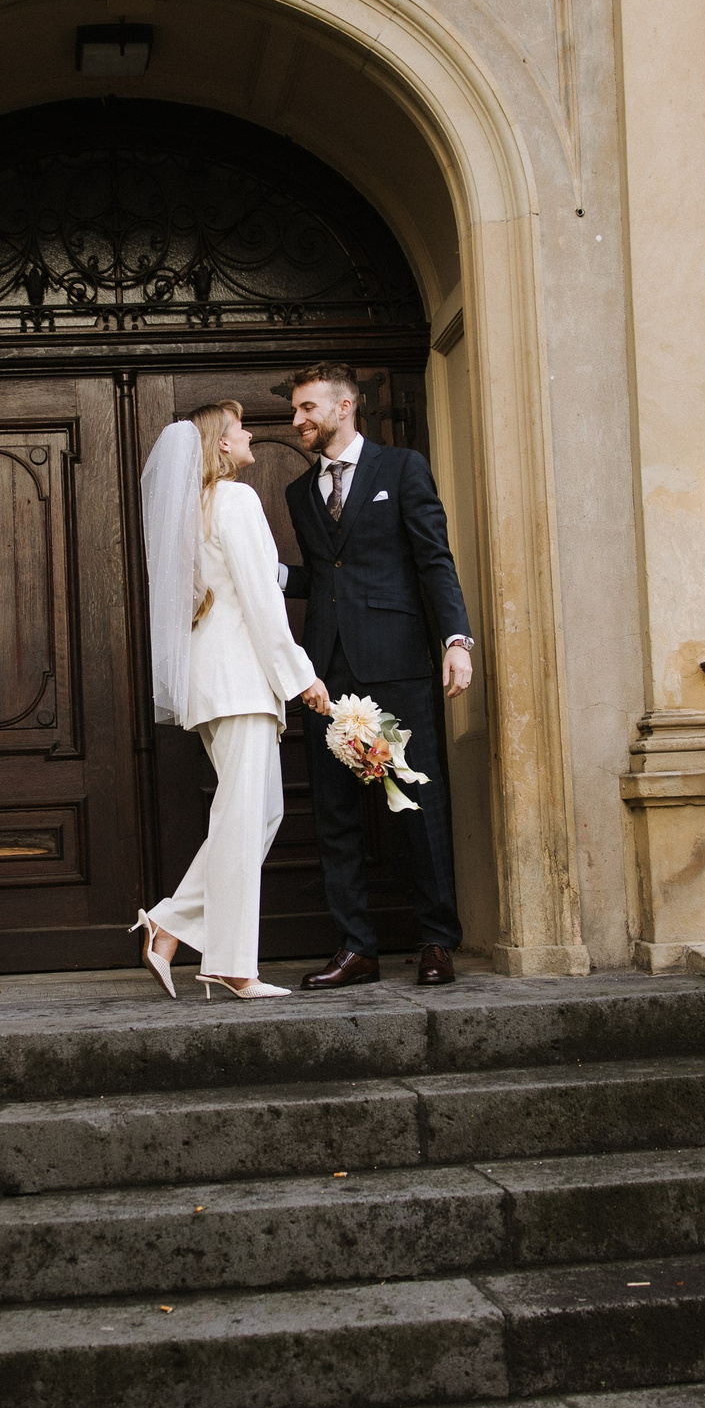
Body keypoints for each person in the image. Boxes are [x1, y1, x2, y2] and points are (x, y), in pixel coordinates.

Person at [278, 363, 473, 989]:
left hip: (395, 666)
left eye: (309, 408)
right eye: (296, 411)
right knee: (335, 815)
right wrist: (269, 576)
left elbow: (432, 558)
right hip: (326, 674)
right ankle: (356, 947)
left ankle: (437, 939)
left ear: (345, 406)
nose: (298, 421)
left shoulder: (402, 469)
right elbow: (324, 574)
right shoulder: (299, 495)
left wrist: (455, 640)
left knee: (416, 802)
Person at [132, 401, 332, 999]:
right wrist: (301, 676)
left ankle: (170, 925)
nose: (250, 435)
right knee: (245, 819)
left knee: (257, 814)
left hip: (215, 684)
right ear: (221, 445)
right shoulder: (236, 501)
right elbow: (259, 599)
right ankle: (234, 964)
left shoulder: (194, 510)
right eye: (239, 428)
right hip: (240, 682)